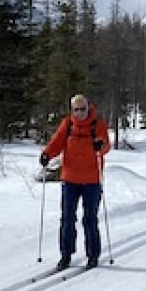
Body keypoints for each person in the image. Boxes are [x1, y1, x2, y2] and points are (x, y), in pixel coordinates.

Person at [40, 94, 110, 270]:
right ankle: (65, 255)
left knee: (90, 219)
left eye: (83, 109)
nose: (79, 113)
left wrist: (100, 146)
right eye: (76, 109)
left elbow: (105, 145)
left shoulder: (97, 124)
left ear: (88, 108)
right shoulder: (68, 124)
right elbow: (57, 142)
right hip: (70, 179)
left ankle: (93, 255)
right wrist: (47, 154)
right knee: (67, 218)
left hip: (92, 180)